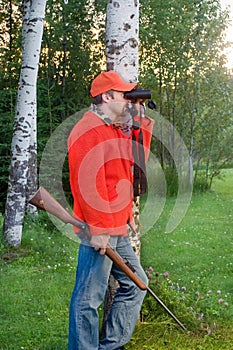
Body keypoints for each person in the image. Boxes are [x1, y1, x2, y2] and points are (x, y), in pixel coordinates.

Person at [67, 71, 153, 350]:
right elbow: (86, 185)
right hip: (100, 229)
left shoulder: (112, 129)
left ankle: (110, 346)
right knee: (88, 300)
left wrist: (141, 124)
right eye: (124, 95)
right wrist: (100, 230)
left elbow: (137, 162)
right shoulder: (87, 130)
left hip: (118, 227)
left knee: (137, 284)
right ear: (107, 97)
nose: (128, 100)